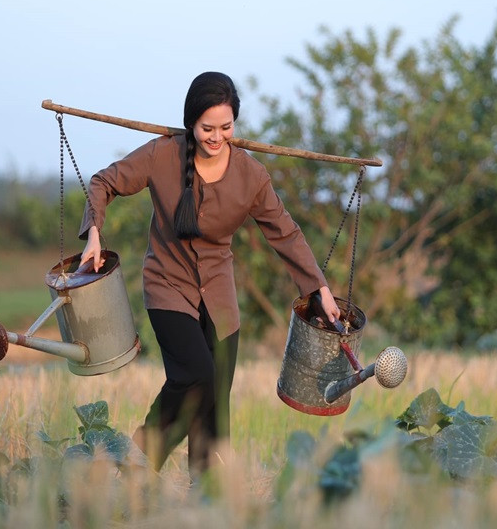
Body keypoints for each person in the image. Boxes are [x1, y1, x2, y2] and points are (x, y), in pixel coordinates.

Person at [78, 71, 340, 479]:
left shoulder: (251, 176)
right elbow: (103, 182)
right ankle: (136, 466)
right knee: (195, 376)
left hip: (219, 296)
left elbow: (284, 232)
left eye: (226, 127)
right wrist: (94, 234)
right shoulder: (160, 156)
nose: (216, 137)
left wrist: (318, 287)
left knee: (216, 398)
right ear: (191, 123)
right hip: (167, 286)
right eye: (207, 128)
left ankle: (207, 496)